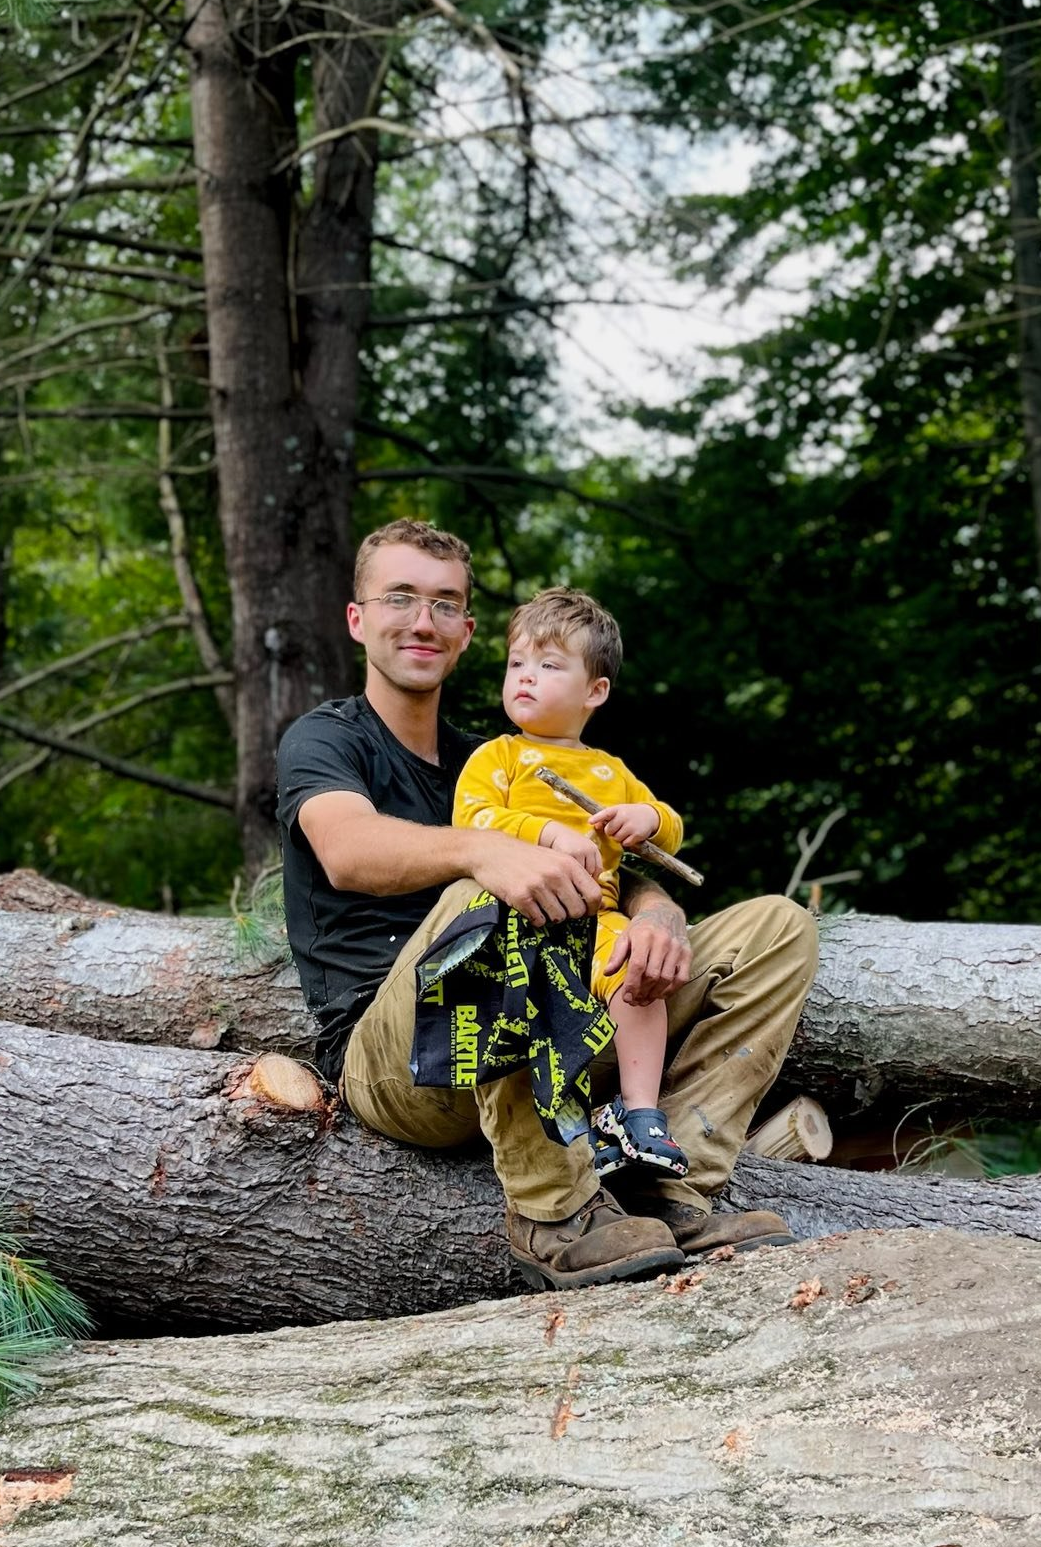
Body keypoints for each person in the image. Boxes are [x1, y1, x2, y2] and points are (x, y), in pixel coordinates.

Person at [276, 516, 819, 1292]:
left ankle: (665, 1187)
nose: (422, 621)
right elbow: (348, 849)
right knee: (492, 888)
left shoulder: (502, 755)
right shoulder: (327, 740)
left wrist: (656, 909)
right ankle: (553, 1213)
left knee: (777, 928)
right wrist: (485, 851)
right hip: (398, 1065)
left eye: (444, 604)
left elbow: (606, 857)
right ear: (358, 620)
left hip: (551, 1028)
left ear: (467, 632)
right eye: (400, 599)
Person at [453, 585, 691, 1180]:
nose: (526, 677)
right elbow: (472, 820)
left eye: (549, 665)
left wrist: (649, 819)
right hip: (519, 918)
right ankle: (566, 1141)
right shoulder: (499, 757)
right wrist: (546, 834)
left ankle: (640, 1115)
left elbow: (669, 831)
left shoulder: (610, 771)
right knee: (535, 1014)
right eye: (517, 664)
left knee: (635, 980)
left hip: (596, 919)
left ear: (595, 691)